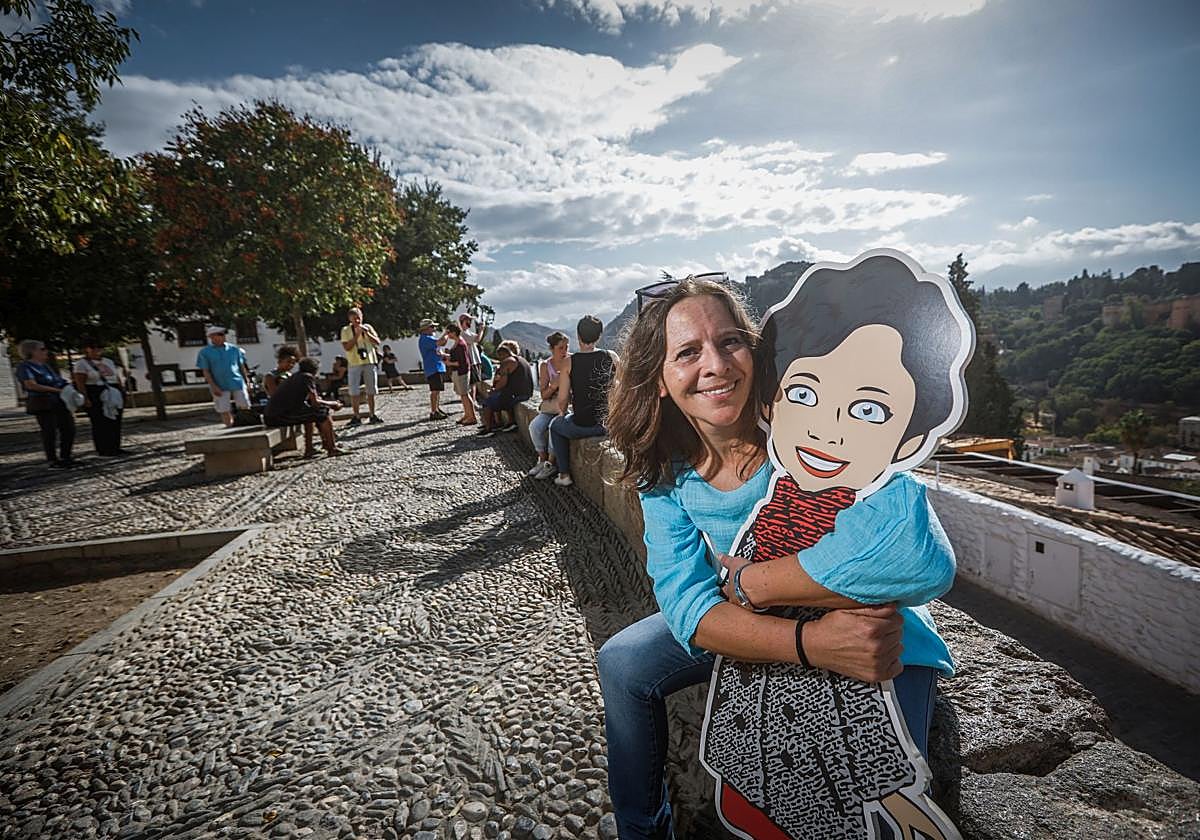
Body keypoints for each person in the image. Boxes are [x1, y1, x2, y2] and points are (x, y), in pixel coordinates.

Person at [598, 276, 951, 840]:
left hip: (871, 633)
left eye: (730, 341)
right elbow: (687, 605)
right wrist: (808, 644)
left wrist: (758, 584)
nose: (714, 364)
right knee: (622, 662)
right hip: (780, 627)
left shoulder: (811, 424)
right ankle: (643, 830)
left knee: (879, 798)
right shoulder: (665, 474)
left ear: (755, 351)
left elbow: (918, 561)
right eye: (687, 352)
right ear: (659, 381)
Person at [548, 315, 617, 487]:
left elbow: (562, 399)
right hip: (607, 424)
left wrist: (563, 414)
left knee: (555, 426)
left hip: (582, 424)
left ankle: (564, 474)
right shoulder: (612, 356)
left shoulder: (569, 362)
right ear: (599, 335)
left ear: (578, 335)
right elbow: (621, 390)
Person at [264, 357, 348, 457]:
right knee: (324, 413)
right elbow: (315, 402)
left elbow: (309, 401)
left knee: (310, 415)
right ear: (315, 369)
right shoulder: (307, 377)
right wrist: (333, 404)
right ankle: (332, 448)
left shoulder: (296, 376)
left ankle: (310, 448)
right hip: (281, 416)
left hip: (272, 415)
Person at [17, 339, 77, 468]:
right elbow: (31, 385)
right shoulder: (25, 366)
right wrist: (56, 390)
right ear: (32, 351)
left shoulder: (45, 366)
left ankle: (66, 456)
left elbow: (57, 380)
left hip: (59, 400)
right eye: (42, 349)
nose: (46, 352)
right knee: (49, 431)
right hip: (43, 401)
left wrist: (68, 387)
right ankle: (52, 459)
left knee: (68, 428)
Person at [72, 337, 126, 457]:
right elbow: (80, 382)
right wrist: (85, 398)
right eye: (93, 347)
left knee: (115, 420)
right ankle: (104, 448)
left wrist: (121, 390)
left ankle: (115, 446)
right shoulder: (81, 364)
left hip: (112, 391)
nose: (97, 350)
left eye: (99, 347)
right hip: (95, 391)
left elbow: (116, 377)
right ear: (87, 349)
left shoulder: (108, 361)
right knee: (100, 422)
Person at [527, 331, 569, 478]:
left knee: (553, 427)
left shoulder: (570, 362)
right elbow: (543, 395)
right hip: (550, 407)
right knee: (534, 426)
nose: (565, 351)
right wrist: (554, 385)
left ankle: (550, 464)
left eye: (566, 347)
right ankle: (542, 459)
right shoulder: (545, 366)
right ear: (552, 349)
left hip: (565, 408)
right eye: (561, 348)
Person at [196, 326, 252, 427]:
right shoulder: (204, 352)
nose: (223, 336)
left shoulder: (234, 349)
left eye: (223, 334)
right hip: (219, 384)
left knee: (244, 405)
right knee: (224, 408)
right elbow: (206, 371)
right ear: (211, 337)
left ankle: (246, 425)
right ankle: (229, 427)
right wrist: (213, 386)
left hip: (237, 382)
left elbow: (241, 366)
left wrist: (247, 381)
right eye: (220, 334)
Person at [478, 341, 533, 438]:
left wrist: (493, 390)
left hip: (516, 395)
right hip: (526, 392)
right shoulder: (522, 359)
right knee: (502, 397)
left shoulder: (508, 361)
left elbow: (502, 382)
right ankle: (510, 423)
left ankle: (488, 429)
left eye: (500, 356)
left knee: (487, 402)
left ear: (503, 354)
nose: (500, 359)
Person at [340, 307, 383, 426]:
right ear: (350, 319)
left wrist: (366, 333)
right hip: (354, 362)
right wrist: (356, 335)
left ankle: (372, 414)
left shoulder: (368, 327)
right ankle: (356, 416)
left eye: (359, 318)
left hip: (369, 361)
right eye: (354, 319)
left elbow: (377, 342)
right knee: (354, 390)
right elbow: (347, 347)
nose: (357, 321)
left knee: (371, 389)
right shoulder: (345, 330)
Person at [444, 323, 477, 426]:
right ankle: (467, 414)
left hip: (461, 372)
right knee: (463, 395)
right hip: (458, 372)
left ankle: (472, 417)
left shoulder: (460, 344)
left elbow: (461, 362)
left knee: (465, 394)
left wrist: (448, 363)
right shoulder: (458, 342)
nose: (447, 334)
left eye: (448, 332)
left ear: (454, 332)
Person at [418, 318, 449, 420]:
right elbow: (442, 342)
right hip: (433, 367)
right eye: (432, 327)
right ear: (426, 328)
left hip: (436, 367)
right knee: (435, 390)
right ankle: (433, 411)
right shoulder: (426, 339)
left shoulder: (428, 338)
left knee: (438, 390)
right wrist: (446, 333)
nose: (434, 328)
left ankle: (436, 408)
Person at [457, 313, 488, 406]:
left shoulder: (468, 332)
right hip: (471, 361)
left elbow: (478, 338)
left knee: (473, 384)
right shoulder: (463, 333)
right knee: (471, 385)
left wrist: (481, 330)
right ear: (464, 321)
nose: (470, 322)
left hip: (474, 360)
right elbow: (477, 339)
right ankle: (471, 404)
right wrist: (482, 329)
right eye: (468, 320)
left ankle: (472, 403)